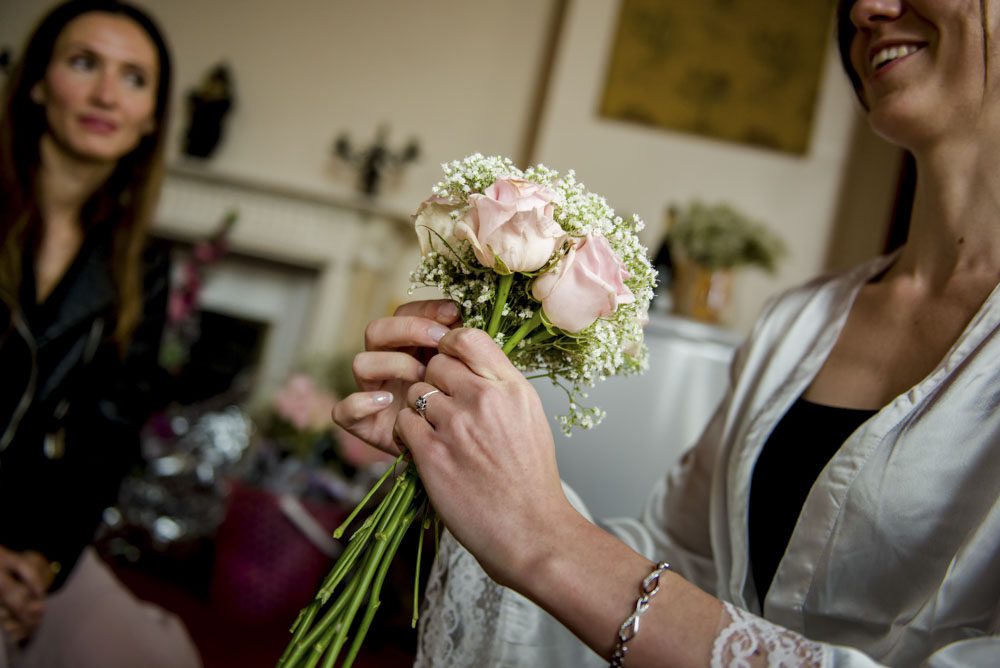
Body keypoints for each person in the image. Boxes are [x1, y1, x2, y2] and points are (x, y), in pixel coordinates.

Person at [334, 0, 1000, 665]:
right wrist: (467, 456)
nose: (866, 8)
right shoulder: (799, 325)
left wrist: (546, 539)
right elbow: (679, 567)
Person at [0, 1, 200, 666]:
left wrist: (40, 560)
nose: (107, 94)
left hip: (30, 531)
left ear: (149, 120)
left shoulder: (141, 263)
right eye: (84, 63)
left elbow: (104, 442)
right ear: (36, 83)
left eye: (134, 79)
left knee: (157, 657)